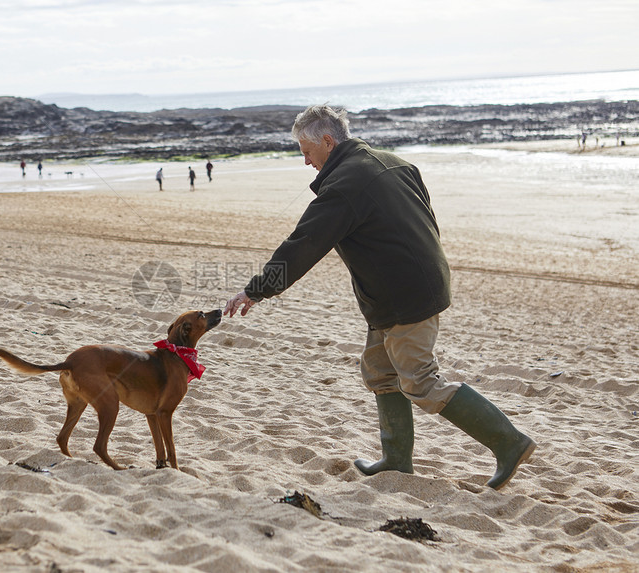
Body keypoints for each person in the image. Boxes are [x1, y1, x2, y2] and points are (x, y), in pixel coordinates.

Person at [224, 104, 536, 490]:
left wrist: (255, 290)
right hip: (402, 290)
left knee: (420, 381)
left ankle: (509, 442)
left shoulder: (345, 185)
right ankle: (396, 460)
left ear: (327, 140)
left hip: (404, 295)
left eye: (307, 151)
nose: (306, 161)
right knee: (379, 370)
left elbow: (303, 244)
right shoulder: (394, 162)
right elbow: (427, 219)